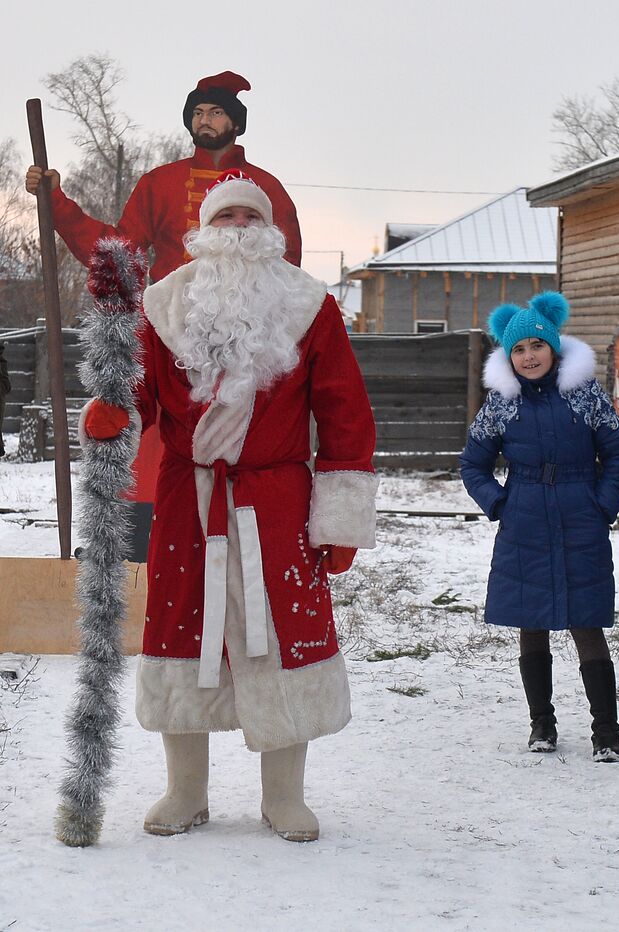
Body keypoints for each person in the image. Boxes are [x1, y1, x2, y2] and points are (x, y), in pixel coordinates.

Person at [78, 172, 376, 842]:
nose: (238, 227)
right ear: (204, 233)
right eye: (226, 217)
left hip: (277, 502)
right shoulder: (164, 303)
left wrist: (339, 518)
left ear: (268, 232)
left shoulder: (309, 306)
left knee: (284, 638)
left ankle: (283, 796)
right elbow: (137, 391)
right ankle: (186, 790)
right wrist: (111, 412)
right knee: (183, 630)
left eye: (250, 217)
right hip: (190, 500)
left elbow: (346, 414)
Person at [459, 291, 619, 763]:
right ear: (508, 356)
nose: (529, 356)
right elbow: (473, 465)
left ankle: (606, 732)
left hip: (581, 516)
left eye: (536, 345)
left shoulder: (586, 395)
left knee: (587, 621)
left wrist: (603, 505)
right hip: (525, 521)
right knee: (530, 621)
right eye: (518, 349)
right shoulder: (501, 403)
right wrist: (499, 502)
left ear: (553, 348)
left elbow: (618, 454)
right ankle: (542, 724)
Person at [27, 71, 300, 282]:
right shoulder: (160, 183)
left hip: (250, 334)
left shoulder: (266, 187)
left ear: (237, 123)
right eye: (198, 113)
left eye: (216, 113)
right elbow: (119, 253)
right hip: (170, 332)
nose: (204, 120)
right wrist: (55, 202)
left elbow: (288, 270)